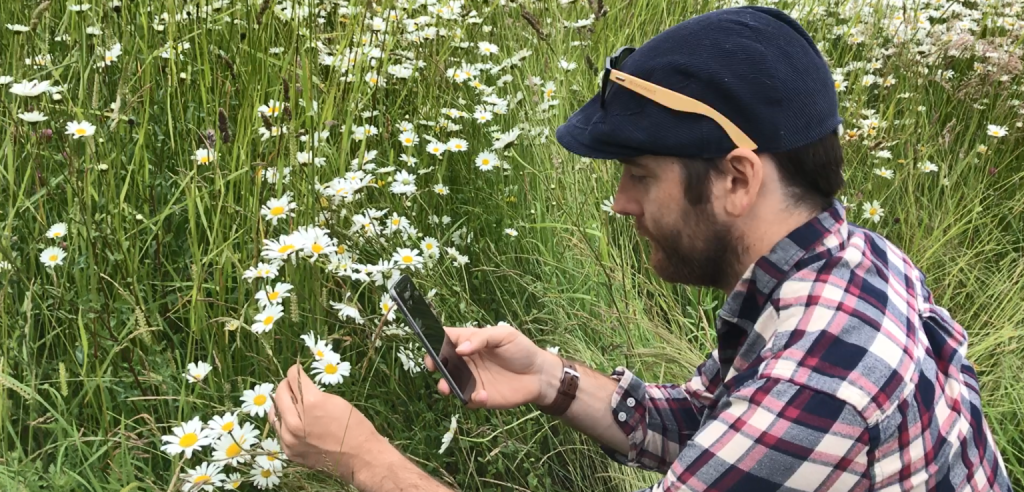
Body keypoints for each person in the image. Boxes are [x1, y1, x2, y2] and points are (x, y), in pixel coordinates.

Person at [269, 6, 1013, 491]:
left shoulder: (821, 383)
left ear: (736, 179)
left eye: (638, 174)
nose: (620, 202)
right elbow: (711, 421)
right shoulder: (852, 262)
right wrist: (549, 378)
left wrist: (362, 457)